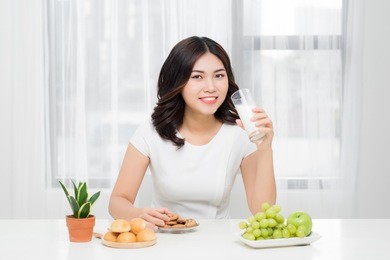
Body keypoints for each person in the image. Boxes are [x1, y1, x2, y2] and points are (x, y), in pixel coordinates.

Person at [109, 36, 276, 228]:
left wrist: (265, 150)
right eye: (197, 77)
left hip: (218, 244)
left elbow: (262, 211)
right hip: (164, 240)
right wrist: (138, 215)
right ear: (177, 82)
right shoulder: (152, 130)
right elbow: (117, 201)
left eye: (219, 76)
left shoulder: (241, 131)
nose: (211, 87)